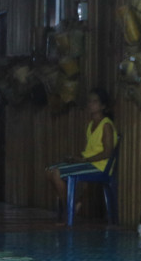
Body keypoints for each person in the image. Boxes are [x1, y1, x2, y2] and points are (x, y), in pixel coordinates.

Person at [45, 88, 117, 216]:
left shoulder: (106, 125)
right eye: (89, 101)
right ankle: (73, 205)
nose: (90, 104)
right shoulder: (91, 125)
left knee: (56, 173)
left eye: (94, 102)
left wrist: (84, 160)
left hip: (100, 166)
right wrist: (76, 158)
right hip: (89, 163)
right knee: (49, 170)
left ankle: (70, 209)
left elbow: (108, 153)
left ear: (103, 106)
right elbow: (90, 151)